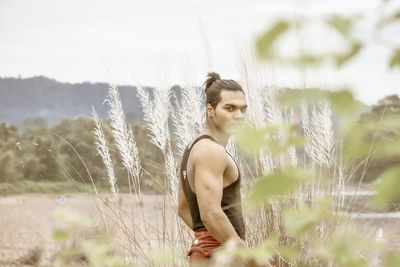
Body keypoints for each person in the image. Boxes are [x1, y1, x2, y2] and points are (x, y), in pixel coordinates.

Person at [178, 72, 271, 267]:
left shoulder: (192, 148)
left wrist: (205, 239)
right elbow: (211, 214)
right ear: (210, 110)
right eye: (229, 109)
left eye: (243, 110)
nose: (239, 116)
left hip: (205, 257)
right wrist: (254, 261)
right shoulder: (211, 151)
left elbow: (184, 209)